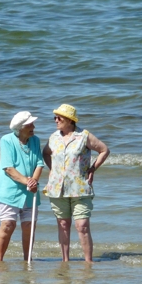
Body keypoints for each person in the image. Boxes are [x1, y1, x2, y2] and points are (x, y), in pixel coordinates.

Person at [42, 104, 110, 262]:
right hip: (57, 188)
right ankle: (65, 261)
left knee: (82, 226)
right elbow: (45, 153)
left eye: (59, 117)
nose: (56, 120)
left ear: (70, 120)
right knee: (63, 224)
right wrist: (53, 170)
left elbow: (104, 150)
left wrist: (93, 169)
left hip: (80, 187)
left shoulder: (84, 136)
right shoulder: (53, 137)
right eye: (55, 117)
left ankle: (88, 262)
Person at [0, 111, 44, 261]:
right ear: (20, 127)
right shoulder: (6, 140)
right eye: (30, 125)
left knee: (29, 226)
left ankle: (27, 260)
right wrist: (27, 181)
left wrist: (33, 181)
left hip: (30, 192)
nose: (33, 127)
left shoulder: (35, 140)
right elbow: (8, 168)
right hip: (9, 191)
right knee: (8, 224)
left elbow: (39, 164)